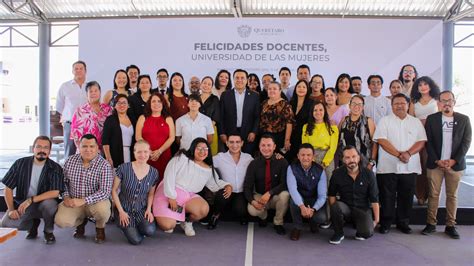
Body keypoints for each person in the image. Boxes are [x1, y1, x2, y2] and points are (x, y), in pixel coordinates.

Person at [153, 138, 232, 236]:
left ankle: (187, 222)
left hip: (187, 197)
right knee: (168, 226)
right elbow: (169, 175)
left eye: (205, 149)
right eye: (199, 148)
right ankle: (170, 216)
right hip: (168, 192)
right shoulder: (181, 158)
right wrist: (171, 197)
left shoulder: (208, 168)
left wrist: (227, 185)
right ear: (193, 148)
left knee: (203, 209)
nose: (202, 151)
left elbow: (214, 184)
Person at [374, 93, 427, 234]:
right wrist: (399, 154)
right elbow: (382, 140)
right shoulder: (384, 121)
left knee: (406, 196)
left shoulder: (415, 122)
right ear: (391, 106)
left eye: (402, 103)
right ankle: (385, 223)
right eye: (396, 103)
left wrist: (408, 153)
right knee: (386, 196)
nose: (399, 106)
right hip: (387, 166)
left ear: (408, 105)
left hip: (409, 167)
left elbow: (421, 141)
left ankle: (403, 223)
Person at [422, 91, 472, 239]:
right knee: (433, 195)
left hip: (455, 165)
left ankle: (450, 225)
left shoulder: (464, 119)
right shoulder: (432, 119)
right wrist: (437, 160)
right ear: (438, 103)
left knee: (452, 195)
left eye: (449, 100)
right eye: (443, 101)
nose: (446, 103)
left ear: (454, 102)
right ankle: (431, 224)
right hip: (435, 164)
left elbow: (466, 142)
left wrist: (454, 160)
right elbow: (428, 141)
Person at [0, 136, 64, 244]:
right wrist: (11, 209)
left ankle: (48, 231)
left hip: (43, 204)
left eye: (46, 147)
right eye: (38, 147)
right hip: (23, 205)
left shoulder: (55, 167)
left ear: (49, 151)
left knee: (50, 204)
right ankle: (33, 224)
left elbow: (56, 192)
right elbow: (8, 187)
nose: (42, 150)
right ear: (33, 148)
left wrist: (31, 199)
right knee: (6, 224)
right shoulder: (20, 163)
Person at [55, 134, 114, 244]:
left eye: (92, 146)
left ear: (97, 148)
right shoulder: (70, 161)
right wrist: (66, 196)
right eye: (84, 146)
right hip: (74, 201)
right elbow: (63, 182)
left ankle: (100, 228)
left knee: (103, 211)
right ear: (79, 147)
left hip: (95, 202)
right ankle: (80, 223)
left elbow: (105, 192)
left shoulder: (104, 165)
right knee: (61, 221)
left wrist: (83, 201)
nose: (88, 150)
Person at [328, 146, 380, 245]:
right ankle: (338, 233)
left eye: (353, 156)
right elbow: (332, 195)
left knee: (366, 233)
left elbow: (374, 198)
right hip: (346, 208)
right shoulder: (337, 174)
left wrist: (376, 220)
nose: (351, 160)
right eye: (347, 157)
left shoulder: (369, 174)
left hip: (362, 210)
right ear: (343, 159)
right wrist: (335, 215)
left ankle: (360, 226)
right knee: (336, 206)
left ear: (359, 157)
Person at [111, 140, 159, 245]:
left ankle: (135, 225)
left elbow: (151, 194)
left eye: (145, 152)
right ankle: (123, 224)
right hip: (124, 209)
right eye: (139, 152)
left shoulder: (154, 173)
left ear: (150, 152)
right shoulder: (123, 168)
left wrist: (149, 210)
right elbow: (114, 191)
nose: (142, 155)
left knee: (150, 231)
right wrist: (121, 212)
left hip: (141, 208)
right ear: (134, 153)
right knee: (136, 240)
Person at [244, 134, 290, 235]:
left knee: (285, 195)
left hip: (274, 196)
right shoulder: (253, 164)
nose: (266, 148)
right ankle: (263, 217)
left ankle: (278, 223)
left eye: (269, 145)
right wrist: (252, 201)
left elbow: (285, 183)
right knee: (251, 209)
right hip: (260, 196)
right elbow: (247, 187)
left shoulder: (282, 162)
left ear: (274, 147)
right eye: (263, 145)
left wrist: (270, 193)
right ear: (259, 147)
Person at [208, 134, 254, 229]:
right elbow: (205, 163)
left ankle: (240, 213)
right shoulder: (220, 157)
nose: (234, 145)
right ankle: (215, 215)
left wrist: (276, 156)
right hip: (226, 189)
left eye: (237, 142)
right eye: (231, 142)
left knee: (240, 210)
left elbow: (260, 164)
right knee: (221, 197)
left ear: (242, 143)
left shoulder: (248, 158)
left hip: (241, 192)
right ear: (227, 143)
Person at [409, 76, 440, 205]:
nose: (423, 87)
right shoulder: (413, 102)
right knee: (419, 166)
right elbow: (410, 119)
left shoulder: (436, 100)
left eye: (425, 84)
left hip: (433, 136)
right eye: (420, 85)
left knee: (431, 165)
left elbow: (440, 118)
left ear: (431, 86)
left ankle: (431, 194)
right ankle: (420, 195)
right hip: (418, 136)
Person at [287, 143, 328, 241]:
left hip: (313, 201)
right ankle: (297, 227)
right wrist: (302, 206)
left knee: (322, 218)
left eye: (308, 155)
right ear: (298, 156)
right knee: (293, 200)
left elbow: (322, 196)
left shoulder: (320, 170)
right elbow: (293, 189)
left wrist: (313, 209)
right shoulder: (291, 168)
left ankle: (313, 222)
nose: (305, 158)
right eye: (303, 155)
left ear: (313, 156)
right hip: (300, 199)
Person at [219, 69, 260, 155]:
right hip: (229, 134)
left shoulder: (254, 96)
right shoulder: (225, 95)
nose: (239, 80)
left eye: (242, 78)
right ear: (233, 79)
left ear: (247, 80)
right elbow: (221, 116)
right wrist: (222, 133)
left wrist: (254, 132)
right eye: (237, 78)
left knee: (247, 159)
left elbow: (257, 116)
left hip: (248, 134)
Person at [135, 93, 175, 180]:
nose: (156, 103)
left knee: (163, 182)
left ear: (163, 104)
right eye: (153, 101)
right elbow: (138, 137)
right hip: (146, 156)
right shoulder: (143, 118)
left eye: (159, 101)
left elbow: (172, 138)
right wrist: (148, 151)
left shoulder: (168, 118)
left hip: (164, 156)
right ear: (149, 104)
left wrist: (159, 151)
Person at [55, 60, 88, 157]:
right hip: (70, 124)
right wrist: (67, 118)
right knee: (70, 152)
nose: (78, 71)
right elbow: (59, 106)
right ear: (72, 71)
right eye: (76, 69)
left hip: (86, 124)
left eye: (81, 68)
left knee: (86, 151)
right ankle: (67, 172)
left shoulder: (90, 86)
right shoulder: (65, 86)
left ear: (85, 71)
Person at [70, 81, 113, 151]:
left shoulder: (108, 109)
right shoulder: (80, 111)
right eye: (91, 91)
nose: (93, 93)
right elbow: (76, 136)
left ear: (100, 92)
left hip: (105, 151)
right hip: (86, 151)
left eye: (96, 91)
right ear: (87, 94)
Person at [302, 101, 339, 179]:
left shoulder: (332, 127)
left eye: (321, 110)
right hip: (311, 157)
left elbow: (333, 147)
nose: (318, 112)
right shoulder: (306, 127)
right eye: (315, 110)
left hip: (327, 157)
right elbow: (305, 146)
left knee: (328, 181)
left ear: (325, 111)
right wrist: (312, 160)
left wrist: (325, 162)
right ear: (312, 112)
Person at [339, 95, 376, 169]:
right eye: (354, 104)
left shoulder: (368, 121)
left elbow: (375, 143)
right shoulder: (344, 120)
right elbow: (337, 140)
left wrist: (371, 162)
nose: (356, 106)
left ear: (363, 107)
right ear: (349, 106)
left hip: (364, 163)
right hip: (345, 163)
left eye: (359, 104)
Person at [259, 81, 295, 152]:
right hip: (264, 137)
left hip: (278, 138)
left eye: (274, 89)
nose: (272, 90)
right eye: (269, 89)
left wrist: (287, 140)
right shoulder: (264, 103)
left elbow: (289, 123)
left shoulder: (285, 104)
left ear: (280, 91)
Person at [102, 94, 136, 168]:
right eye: (119, 103)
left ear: (128, 105)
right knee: (116, 177)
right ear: (115, 106)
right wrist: (108, 157)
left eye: (124, 103)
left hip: (131, 154)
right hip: (115, 154)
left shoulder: (133, 120)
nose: (122, 105)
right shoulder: (110, 120)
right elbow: (105, 140)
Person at [287, 80, 314, 163]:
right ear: (295, 89)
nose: (301, 89)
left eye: (304, 87)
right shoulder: (291, 103)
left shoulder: (311, 103)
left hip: (304, 138)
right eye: (299, 86)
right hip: (291, 138)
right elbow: (288, 122)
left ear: (307, 90)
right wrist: (287, 139)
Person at [199, 76, 221, 155]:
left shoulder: (215, 99)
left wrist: (207, 128)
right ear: (201, 84)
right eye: (204, 83)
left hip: (211, 130)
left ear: (211, 87)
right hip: (197, 130)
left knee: (211, 154)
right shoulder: (196, 98)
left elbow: (216, 116)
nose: (206, 85)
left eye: (209, 84)